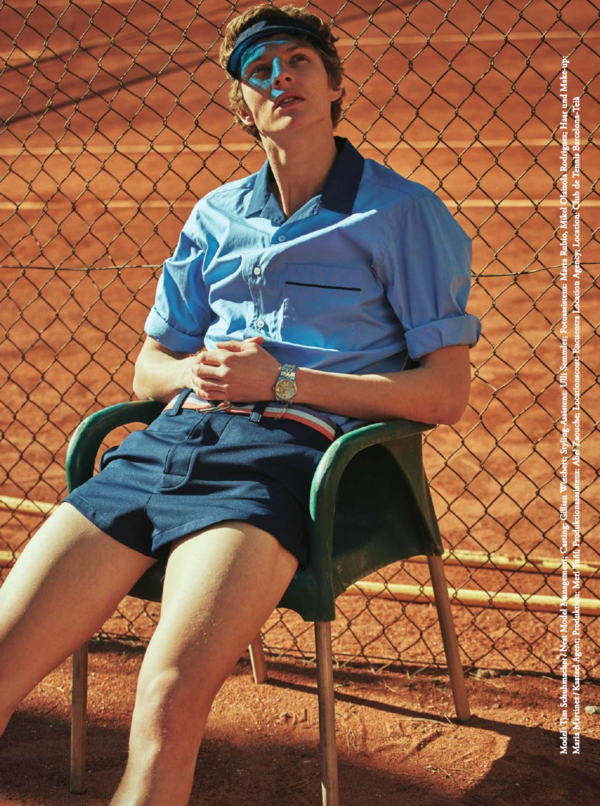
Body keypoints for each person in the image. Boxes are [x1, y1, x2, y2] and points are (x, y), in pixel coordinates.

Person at [0, 4, 481, 804]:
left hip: (281, 461)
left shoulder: (401, 213)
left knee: (166, 699)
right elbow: (149, 367)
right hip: (160, 450)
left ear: (334, 85)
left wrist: (282, 384)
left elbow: (444, 394)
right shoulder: (215, 215)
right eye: (260, 70)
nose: (281, 77)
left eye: (298, 61)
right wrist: (193, 374)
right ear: (243, 105)